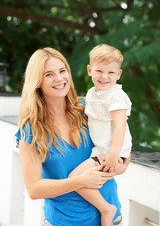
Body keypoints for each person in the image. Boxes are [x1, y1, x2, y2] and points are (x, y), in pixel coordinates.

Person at [15, 47, 130, 226]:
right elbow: (34, 189)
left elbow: (123, 141)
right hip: (64, 222)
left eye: (62, 71)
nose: (59, 78)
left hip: (111, 220)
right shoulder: (31, 131)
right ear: (37, 81)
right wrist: (80, 181)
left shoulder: (88, 108)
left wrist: (120, 166)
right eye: (49, 74)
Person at [69, 44, 132, 226]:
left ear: (118, 74)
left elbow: (120, 125)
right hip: (102, 150)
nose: (105, 77)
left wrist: (113, 154)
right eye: (99, 71)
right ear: (89, 70)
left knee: (75, 179)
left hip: (110, 152)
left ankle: (106, 208)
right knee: (80, 179)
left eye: (111, 73)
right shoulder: (92, 94)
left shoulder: (116, 96)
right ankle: (106, 209)